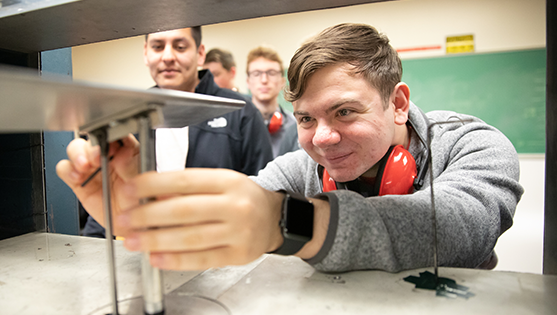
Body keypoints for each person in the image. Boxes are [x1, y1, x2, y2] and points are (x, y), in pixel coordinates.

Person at [58, 23, 523, 273]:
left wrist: (286, 221)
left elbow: (461, 229)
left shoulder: (472, 145)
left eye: (344, 112)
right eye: (306, 118)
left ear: (397, 103)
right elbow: (229, 219)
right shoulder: (299, 167)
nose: (321, 139)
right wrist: (142, 205)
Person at [81, 26, 273, 237]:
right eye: (158, 47)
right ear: (146, 53)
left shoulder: (239, 111)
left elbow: (263, 197)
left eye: (180, 47)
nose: (168, 56)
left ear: (200, 54)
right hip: (148, 251)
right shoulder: (128, 117)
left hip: (221, 253)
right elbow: (107, 203)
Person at [246, 46, 300, 157]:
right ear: (248, 82)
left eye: (271, 73)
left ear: (282, 81)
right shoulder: (237, 125)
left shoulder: (296, 125)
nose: (264, 80)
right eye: (256, 73)